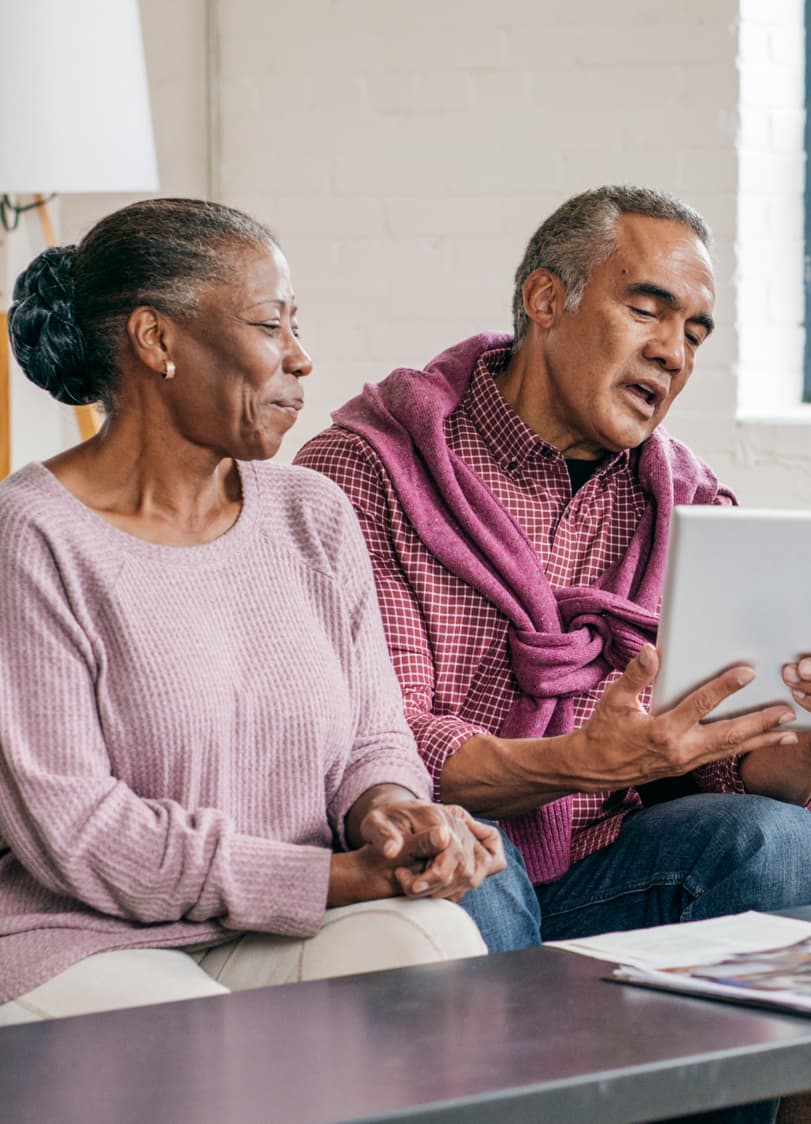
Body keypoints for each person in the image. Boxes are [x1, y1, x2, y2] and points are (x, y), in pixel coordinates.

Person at [296, 185, 811, 955]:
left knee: (784, 843)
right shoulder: (370, 470)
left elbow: (719, 769)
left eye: (694, 333)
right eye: (647, 311)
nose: (673, 353)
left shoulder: (692, 504)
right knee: (470, 865)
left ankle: (695, 1081)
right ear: (545, 299)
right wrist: (577, 763)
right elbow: (377, 739)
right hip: (434, 843)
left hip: (600, 865)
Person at [0, 198, 504, 1026]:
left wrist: (391, 812)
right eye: (271, 325)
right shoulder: (34, 536)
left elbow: (373, 738)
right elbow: (78, 829)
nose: (301, 359)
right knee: (207, 1047)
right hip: (80, 937)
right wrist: (335, 879)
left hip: (264, 926)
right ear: (157, 340)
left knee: (438, 947)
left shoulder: (312, 512)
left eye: (295, 324)